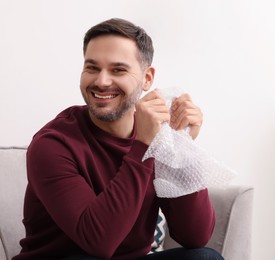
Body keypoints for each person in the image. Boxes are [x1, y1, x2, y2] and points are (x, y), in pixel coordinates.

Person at [13, 18, 223, 260]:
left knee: (204, 257)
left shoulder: (157, 134)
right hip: (67, 258)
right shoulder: (52, 145)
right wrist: (142, 145)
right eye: (92, 68)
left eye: (118, 70)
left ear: (147, 78)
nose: (101, 81)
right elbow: (97, 241)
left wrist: (181, 145)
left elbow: (194, 236)